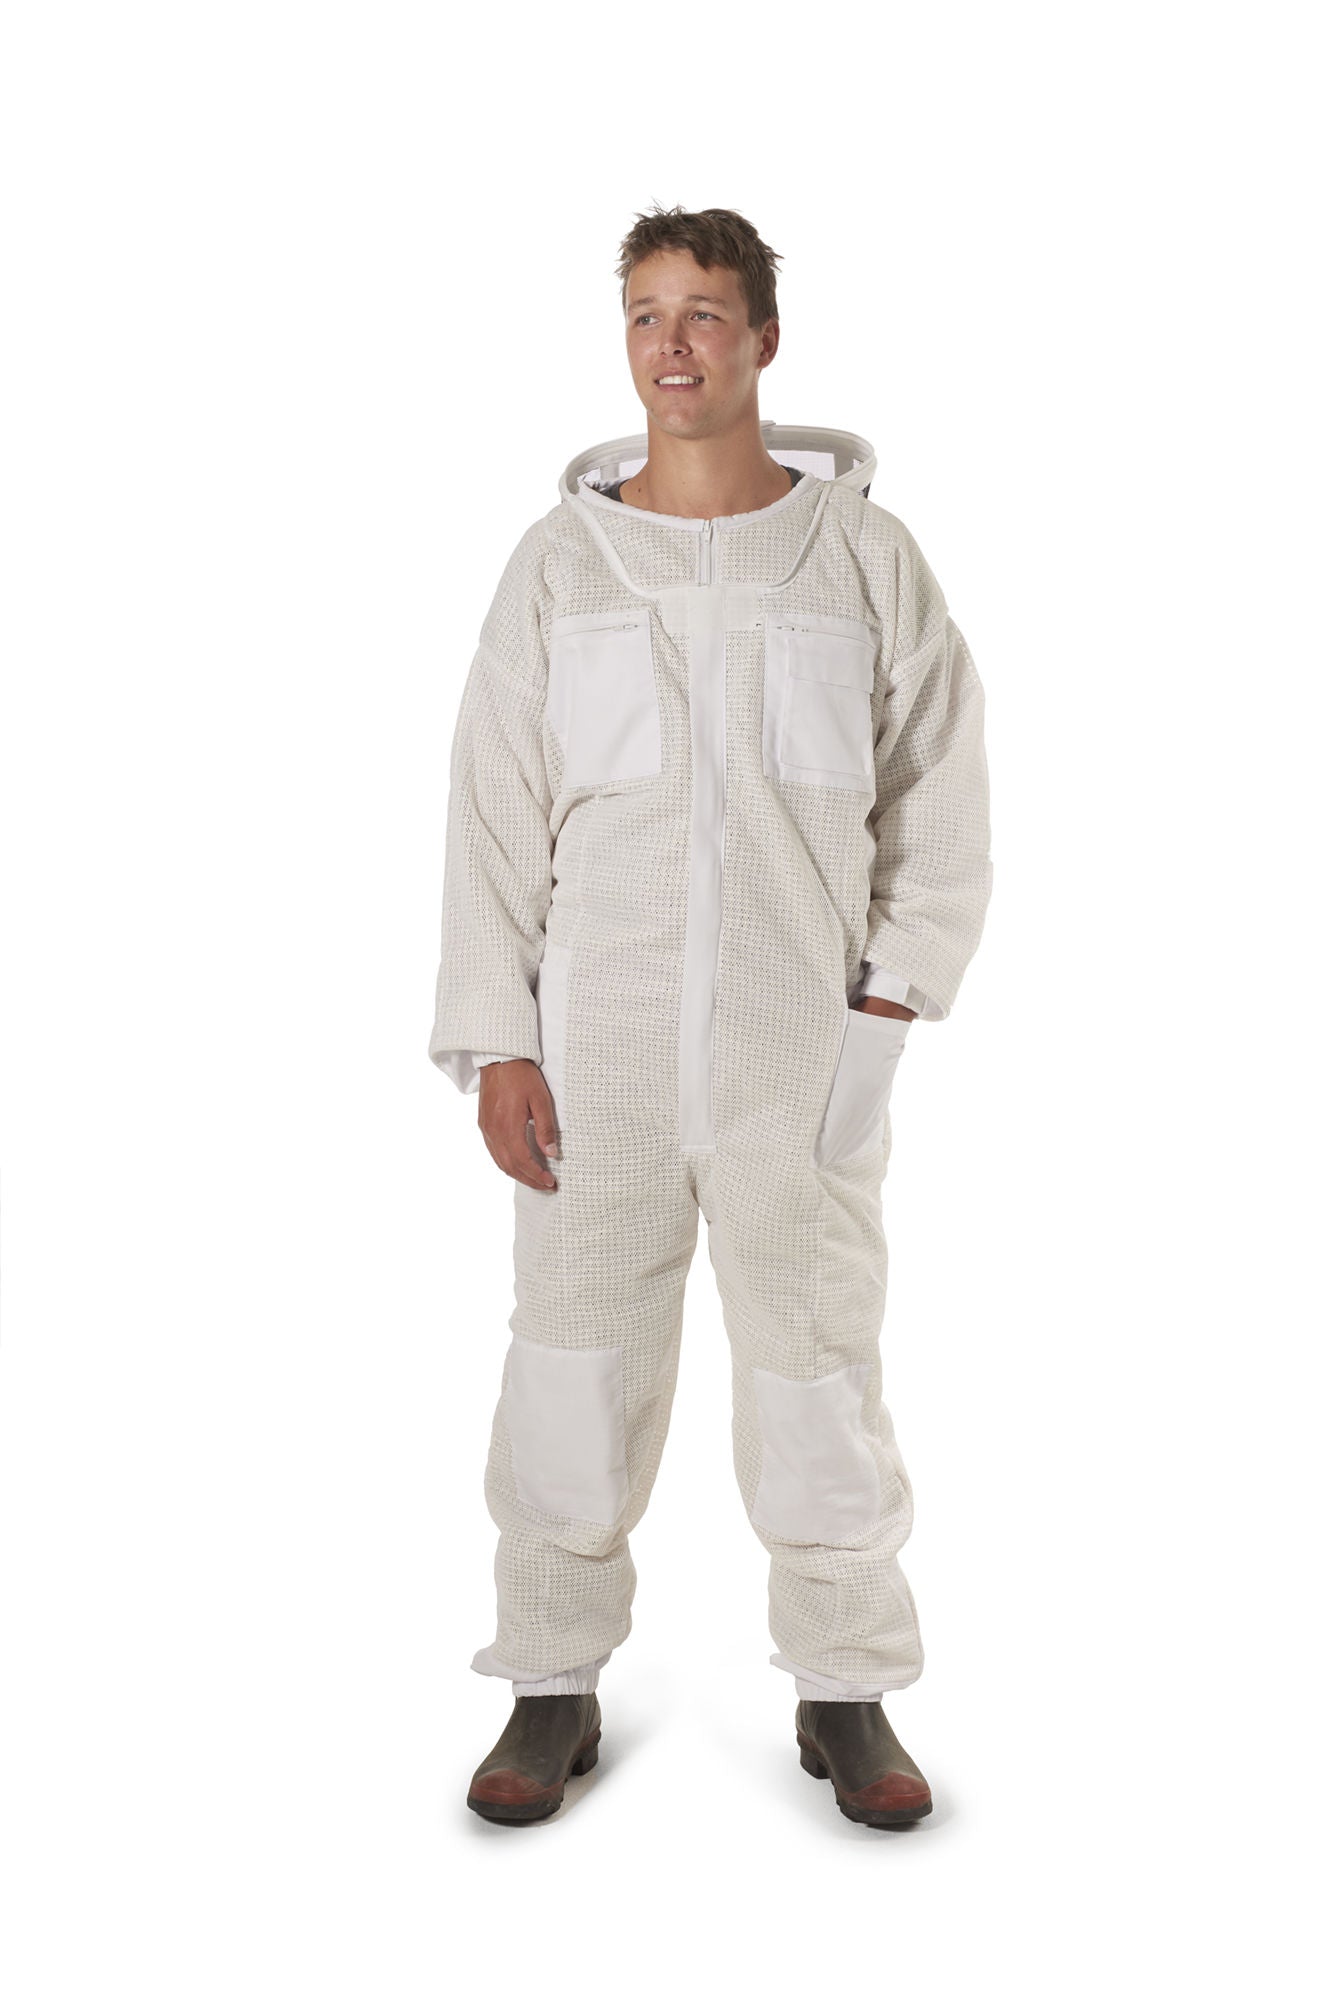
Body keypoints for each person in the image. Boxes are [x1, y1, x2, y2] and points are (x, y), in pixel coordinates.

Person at [428, 204, 993, 1828]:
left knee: (818, 1371)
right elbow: (492, 809)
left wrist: (888, 1002)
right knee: (571, 1365)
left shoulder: (863, 560)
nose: (671, 343)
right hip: (593, 1050)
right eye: (645, 313)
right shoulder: (561, 564)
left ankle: (848, 1692)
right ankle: (550, 1682)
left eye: (703, 313)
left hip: (796, 1052)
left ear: (763, 340)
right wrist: (499, 1037)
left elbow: (938, 786)